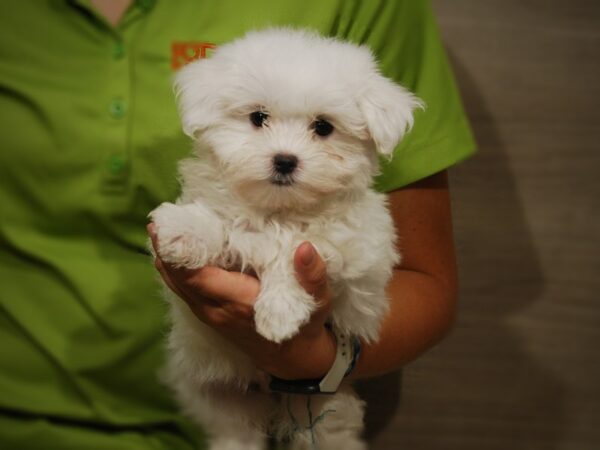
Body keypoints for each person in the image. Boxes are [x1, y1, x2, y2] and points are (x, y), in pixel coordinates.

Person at [0, 1, 475, 448]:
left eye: (322, 128)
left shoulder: (374, 18)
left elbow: (407, 278)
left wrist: (310, 356)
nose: (286, 151)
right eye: (261, 119)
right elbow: (204, 225)